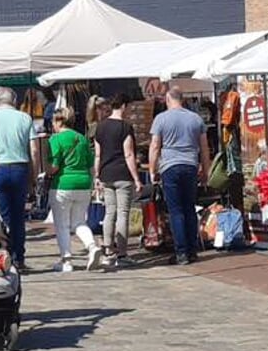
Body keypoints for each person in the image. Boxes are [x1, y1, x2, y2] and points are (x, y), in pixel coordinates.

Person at [147, 88, 210, 265]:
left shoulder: (161, 119)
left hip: (170, 167)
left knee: (176, 210)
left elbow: (154, 146)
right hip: (190, 165)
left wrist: (153, 170)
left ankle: (181, 252)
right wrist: (206, 171)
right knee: (189, 208)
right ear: (182, 100)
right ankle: (192, 250)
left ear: (168, 99)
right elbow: (204, 148)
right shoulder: (195, 118)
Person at [0, 86, 37, 271]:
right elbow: (34, 150)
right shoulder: (25, 118)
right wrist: (33, 175)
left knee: (2, 216)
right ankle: (19, 257)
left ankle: (4, 255)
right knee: (18, 217)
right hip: (20, 166)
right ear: (14, 100)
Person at [88, 94, 140, 270]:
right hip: (123, 174)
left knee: (109, 213)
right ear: (123, 106)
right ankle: (123, 253)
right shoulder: (125, 127)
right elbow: (129, 154)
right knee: (123, 213)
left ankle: (108, 250)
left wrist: (96, 176)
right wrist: (136, 178)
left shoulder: (100, 127)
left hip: (106, 174)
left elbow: (97, 154)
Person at [45, 107, 94, 272]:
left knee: (62, 225)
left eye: (53, 121)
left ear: (59, 121)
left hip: (63, 184)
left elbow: (53, 167)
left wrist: (45, 170)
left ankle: (66, 261)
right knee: (79, 221)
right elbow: (90, 165)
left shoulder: (55, 139)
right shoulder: (82, 139)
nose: (52, 125)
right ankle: (92, 246)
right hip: (84, 183)